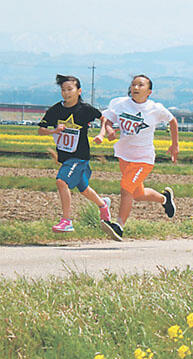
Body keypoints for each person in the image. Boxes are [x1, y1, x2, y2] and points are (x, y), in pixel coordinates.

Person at [95, 74, 178, 241]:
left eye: (140, 85)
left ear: (149, 92)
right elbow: (108, 120)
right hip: (124, 155)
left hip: (143, 158)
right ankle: (164, 199)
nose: (136, 88)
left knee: (126, 189)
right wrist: (109, 130)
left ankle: (119, 226)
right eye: (133, 84)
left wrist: (174, 145)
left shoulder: (155, 109)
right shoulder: (119, 104)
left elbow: (173, 121)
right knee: (137, 194)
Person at [38, 74, 111, 233]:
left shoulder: (85, 109)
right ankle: (103, 205)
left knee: (61, 181)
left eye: (70, 89)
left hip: (80, 157)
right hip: (65, 158)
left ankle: (66, 221)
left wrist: (101, 134)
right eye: (63, 90)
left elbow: (103, 118)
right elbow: (40, 130)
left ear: (79, 91)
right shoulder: (56, 109)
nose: (66, 93)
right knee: (84, 189)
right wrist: (54, 130)